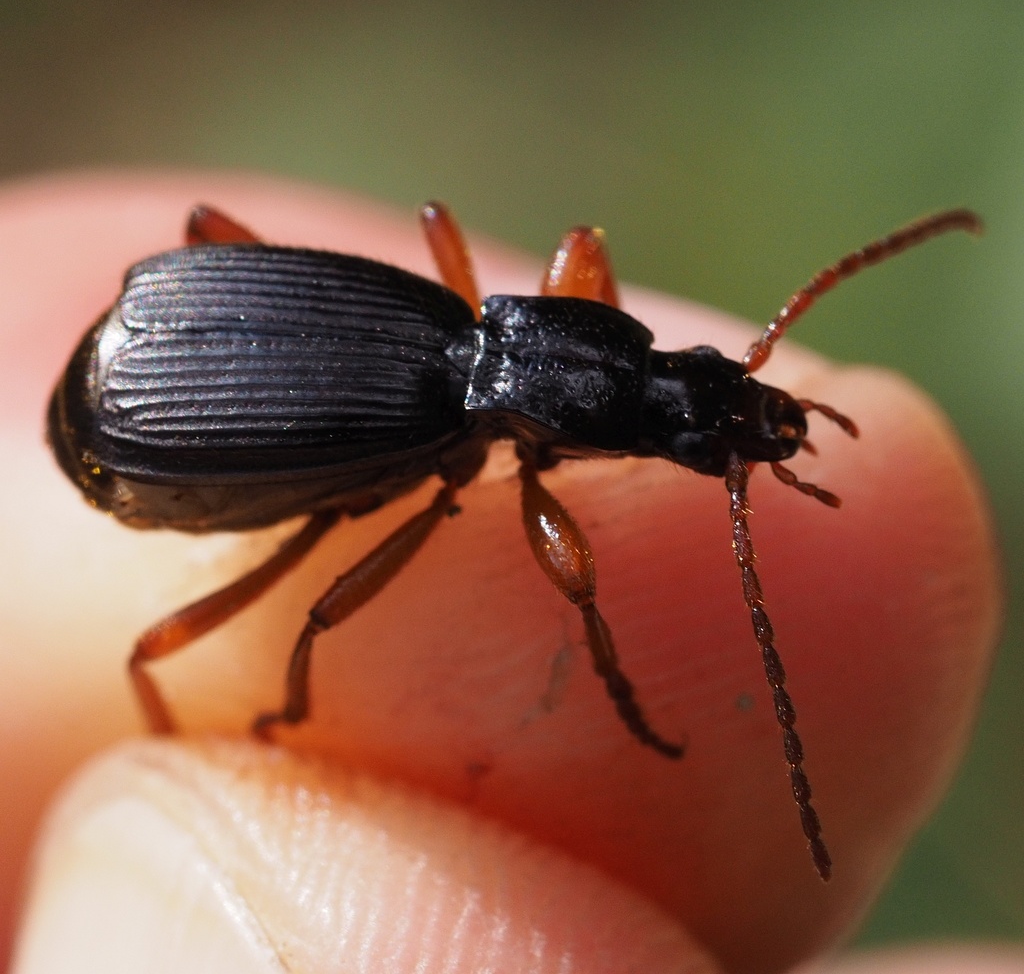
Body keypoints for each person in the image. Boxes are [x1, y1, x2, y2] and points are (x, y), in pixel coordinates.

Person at [1, 173, 1006, 974]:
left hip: (182, 331)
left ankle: (274, 718)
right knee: (263, 631)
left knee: (291, 618)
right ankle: (212, 743)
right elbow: (548, 582)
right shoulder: (465, 417)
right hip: (136, 440)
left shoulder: (468, 321)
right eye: (676, 423)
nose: (698, 419)